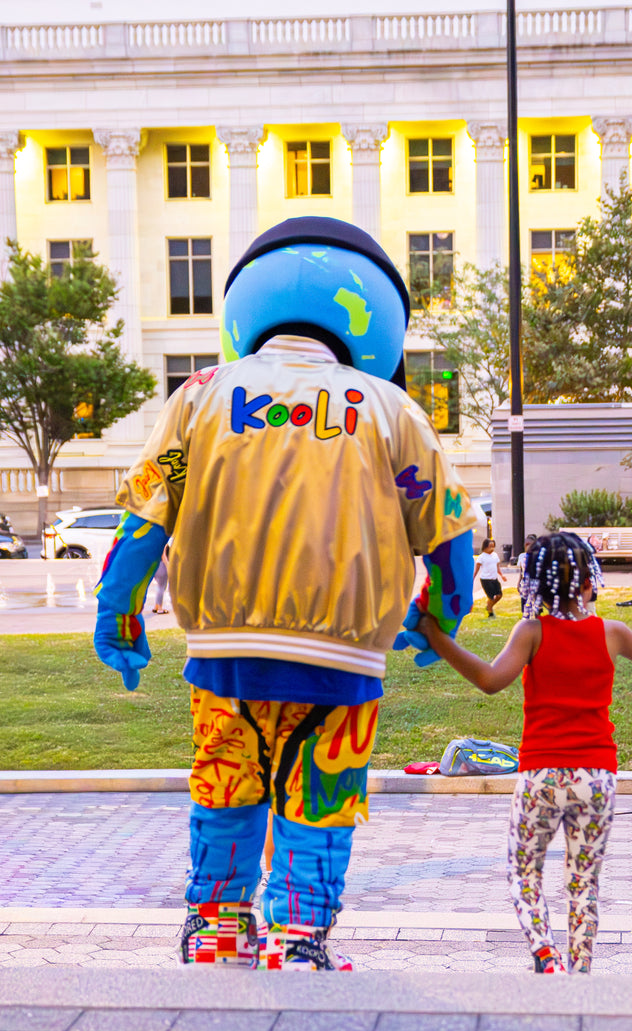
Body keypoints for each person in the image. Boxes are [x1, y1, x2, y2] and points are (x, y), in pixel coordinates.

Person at [93, 216, 475, 971]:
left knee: (226, 785)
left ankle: (217, 930)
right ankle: (300, 938)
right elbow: (447, 532)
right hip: (344, 661)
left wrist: (120, 614)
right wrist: (438, 617)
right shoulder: (392, 411)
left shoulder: (201, 396)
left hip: (224, 657)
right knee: (321, 800)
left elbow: (144, 519)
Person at [418, 532, 632, 975]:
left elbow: (491, 680)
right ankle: (580, 972)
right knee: (584, 883)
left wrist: (436, 638)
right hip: (597, 778)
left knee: (524, 873)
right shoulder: (611, 632)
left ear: (536, 583)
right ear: (590, 582)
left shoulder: (530, 632)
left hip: (542, 777)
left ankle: (545, 956)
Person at [474, 537, 507, 618]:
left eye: (493, 546)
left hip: (494, 579)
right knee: (491, 597)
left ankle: (489, 606)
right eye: (490, 546)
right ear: (485, 547)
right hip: (486, 580)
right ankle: (490, 612)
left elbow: (497, 567)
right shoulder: (481, 557)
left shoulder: (495, 555)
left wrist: (502, 575)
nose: (492, 548)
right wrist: (473, 578)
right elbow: (477, 569)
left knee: (499, 595)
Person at [516, 534, 537, 613]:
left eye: (530, 544)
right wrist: (518, 583)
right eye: (526, 544)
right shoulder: (522, 556)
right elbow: (521, 571)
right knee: (524, 602)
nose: (527, 546)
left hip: (534, 582)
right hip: (525, 582)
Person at [150, 546, 169, 613]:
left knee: (159, 587)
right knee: (162, 587)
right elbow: (163, 556)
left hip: (155, 565)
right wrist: (168, 566)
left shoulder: (155, 542)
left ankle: (156, 606)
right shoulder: (163, 543)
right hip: (162, 565)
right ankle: (160, 608)